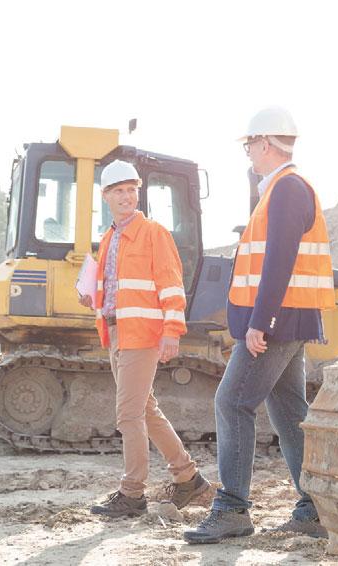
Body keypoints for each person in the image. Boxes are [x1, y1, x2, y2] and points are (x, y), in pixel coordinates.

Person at [184, 107, 335, 543]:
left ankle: (232, 508)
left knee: (232, 403)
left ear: (266, 143)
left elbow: (279, 262)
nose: (248, 152)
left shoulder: (287, 189)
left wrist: (260, 321)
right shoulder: (280, 189)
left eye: (249, 144)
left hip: (278, 321)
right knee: (288, 411)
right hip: (289, 319)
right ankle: (315, 508)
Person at [80, 159, 211, 518]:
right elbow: (116, 290)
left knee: (128, 415)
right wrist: (91, 296)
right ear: (105, 196)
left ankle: (132, 493)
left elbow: (172, 287)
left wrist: (172, 332)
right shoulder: (109, 238)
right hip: (116, 331)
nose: (126, 197)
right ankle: (189, 478)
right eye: (118, 191)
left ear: (138, 192)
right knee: (146, 411)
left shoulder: (154, 233)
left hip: (142, 334)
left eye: (131, 190)